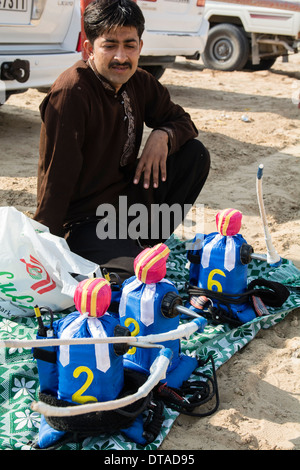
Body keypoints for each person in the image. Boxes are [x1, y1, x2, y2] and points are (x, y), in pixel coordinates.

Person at [33, 0, 210, 282]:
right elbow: (56, 179)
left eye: (129, 45)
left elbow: (183, 122)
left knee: (194, 155)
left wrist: (162, 135)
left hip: (127, 208)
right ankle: (119, 254)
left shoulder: (139, 81)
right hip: (83, 220)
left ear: (140, 45)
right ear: (90, 49)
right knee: (135, 277)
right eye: (110, 45)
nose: (121, 56)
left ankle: (144, 243)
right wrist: (44, 250)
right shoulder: (71, 93)